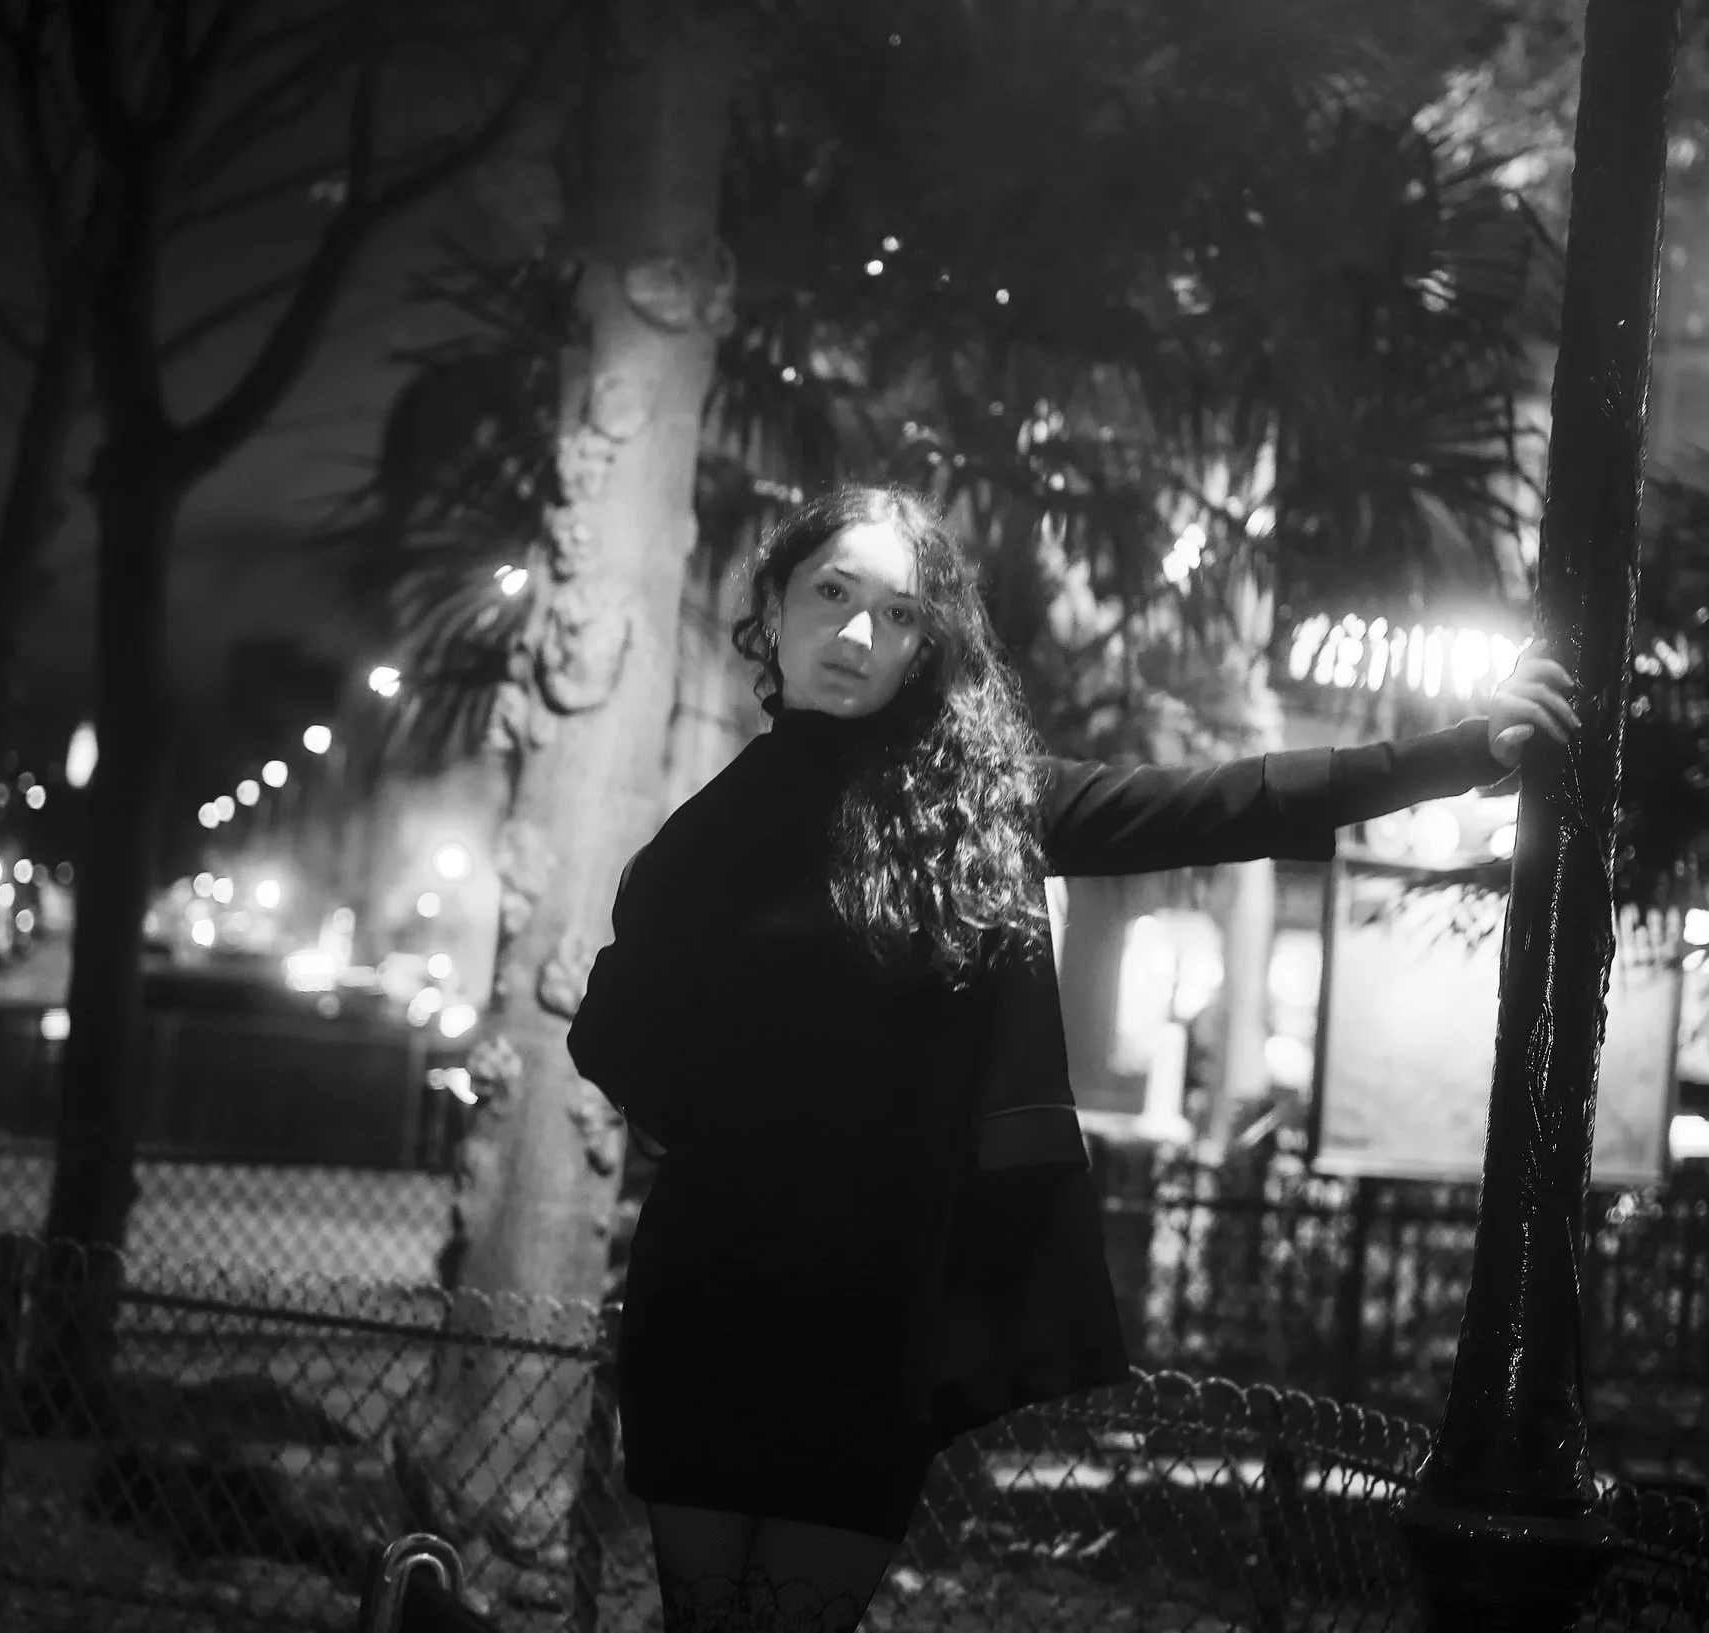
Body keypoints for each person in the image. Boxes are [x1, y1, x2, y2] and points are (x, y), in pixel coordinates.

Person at [567, 485, 1577, 1633]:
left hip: (875, 1312)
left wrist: (1452, 753)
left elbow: (1215, 804)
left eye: (897, 616)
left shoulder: (982, 807)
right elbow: (612, 1026)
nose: (856, 636)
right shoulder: (702, 835)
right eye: (833, 596)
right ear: (775, 606)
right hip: (711, 1290)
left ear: (927, 643)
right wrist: (697, 1123)